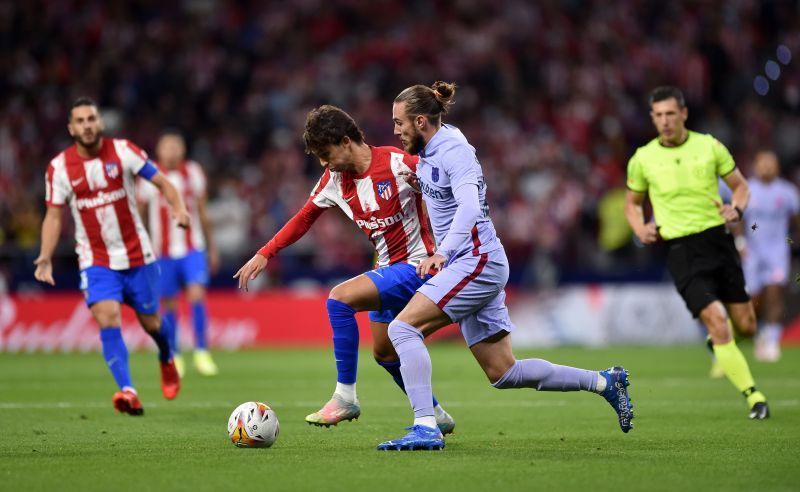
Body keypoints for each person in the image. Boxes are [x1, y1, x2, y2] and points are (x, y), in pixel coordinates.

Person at [378, 82, 634, 452]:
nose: (396, 130)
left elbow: (468, 207)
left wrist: (442, 252)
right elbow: (448, 191)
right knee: (503, 372)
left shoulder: (454, 151)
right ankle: (605, 381)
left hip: (474, 260)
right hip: (476, 261)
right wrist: (419, 181)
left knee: (403, 329)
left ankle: (425, 426)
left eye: (399, 123)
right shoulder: (434, 147)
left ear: (420, 121)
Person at [234, 105, 455, 434]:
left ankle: (345, 396)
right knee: (384, 354)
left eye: (326, 153)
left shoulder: (397, 163)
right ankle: (434, 413)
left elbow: (449, 185)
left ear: (346, 141)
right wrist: (266, 253)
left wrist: (429, 188)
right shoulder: (334, 180)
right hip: (386, 267)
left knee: (339, 299)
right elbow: (304, 217)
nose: (324, 162)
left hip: (419, 264)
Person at [34, 97, 188, 415]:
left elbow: (162, 182)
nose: (87, 125)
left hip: (138, 258)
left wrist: (179, 207)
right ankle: (128, 390)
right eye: (80, 120)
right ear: (71, 128)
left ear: (100, 123)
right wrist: (45, 256)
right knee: (108, 317)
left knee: (152, 324)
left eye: (92, 119)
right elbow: (52, 216)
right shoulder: (59, 168)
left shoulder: (123, 151)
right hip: (96, 260)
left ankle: (166, 356)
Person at [624, 86, 769, 420]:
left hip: (718, 242)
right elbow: (631, 204)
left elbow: (741, 187)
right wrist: (640, 227)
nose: (664, 121)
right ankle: (754, 397)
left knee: (746, 326)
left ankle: (719, 345)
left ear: (684, 113)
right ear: (652, 118)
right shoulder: (643, 158)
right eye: (658, 115)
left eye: (670, 113)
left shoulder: (709, 146)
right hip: (681, 249)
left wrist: (737, 209)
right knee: (718, 320)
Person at [138, 132, 220, 376]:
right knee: (169, 303)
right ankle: (174, 354)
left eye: (176, 146)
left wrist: (211, 247)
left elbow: (203, 213)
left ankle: (202, 352)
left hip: (192, 247)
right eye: (167, 147)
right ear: (159, 151)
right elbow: (140, 213)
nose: (172, 151)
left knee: (197, 295)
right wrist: (142, 247)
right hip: (161, 251)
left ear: (183, 150)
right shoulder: (149, 175)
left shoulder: (193, 172)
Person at [730, 150, 800, 362]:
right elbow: (738, 219)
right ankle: (756, 332)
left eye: (771, 164)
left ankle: (772, 340)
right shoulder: (747, 189)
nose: (767, 167)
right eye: (763, 164)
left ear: (777, 167)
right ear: (755, 166)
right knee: (753, 299)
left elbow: (796, 220)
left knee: (775, 293)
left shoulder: (787, 192)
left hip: (778, 250)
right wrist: (740, 242)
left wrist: (793, 243)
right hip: (752, 252)